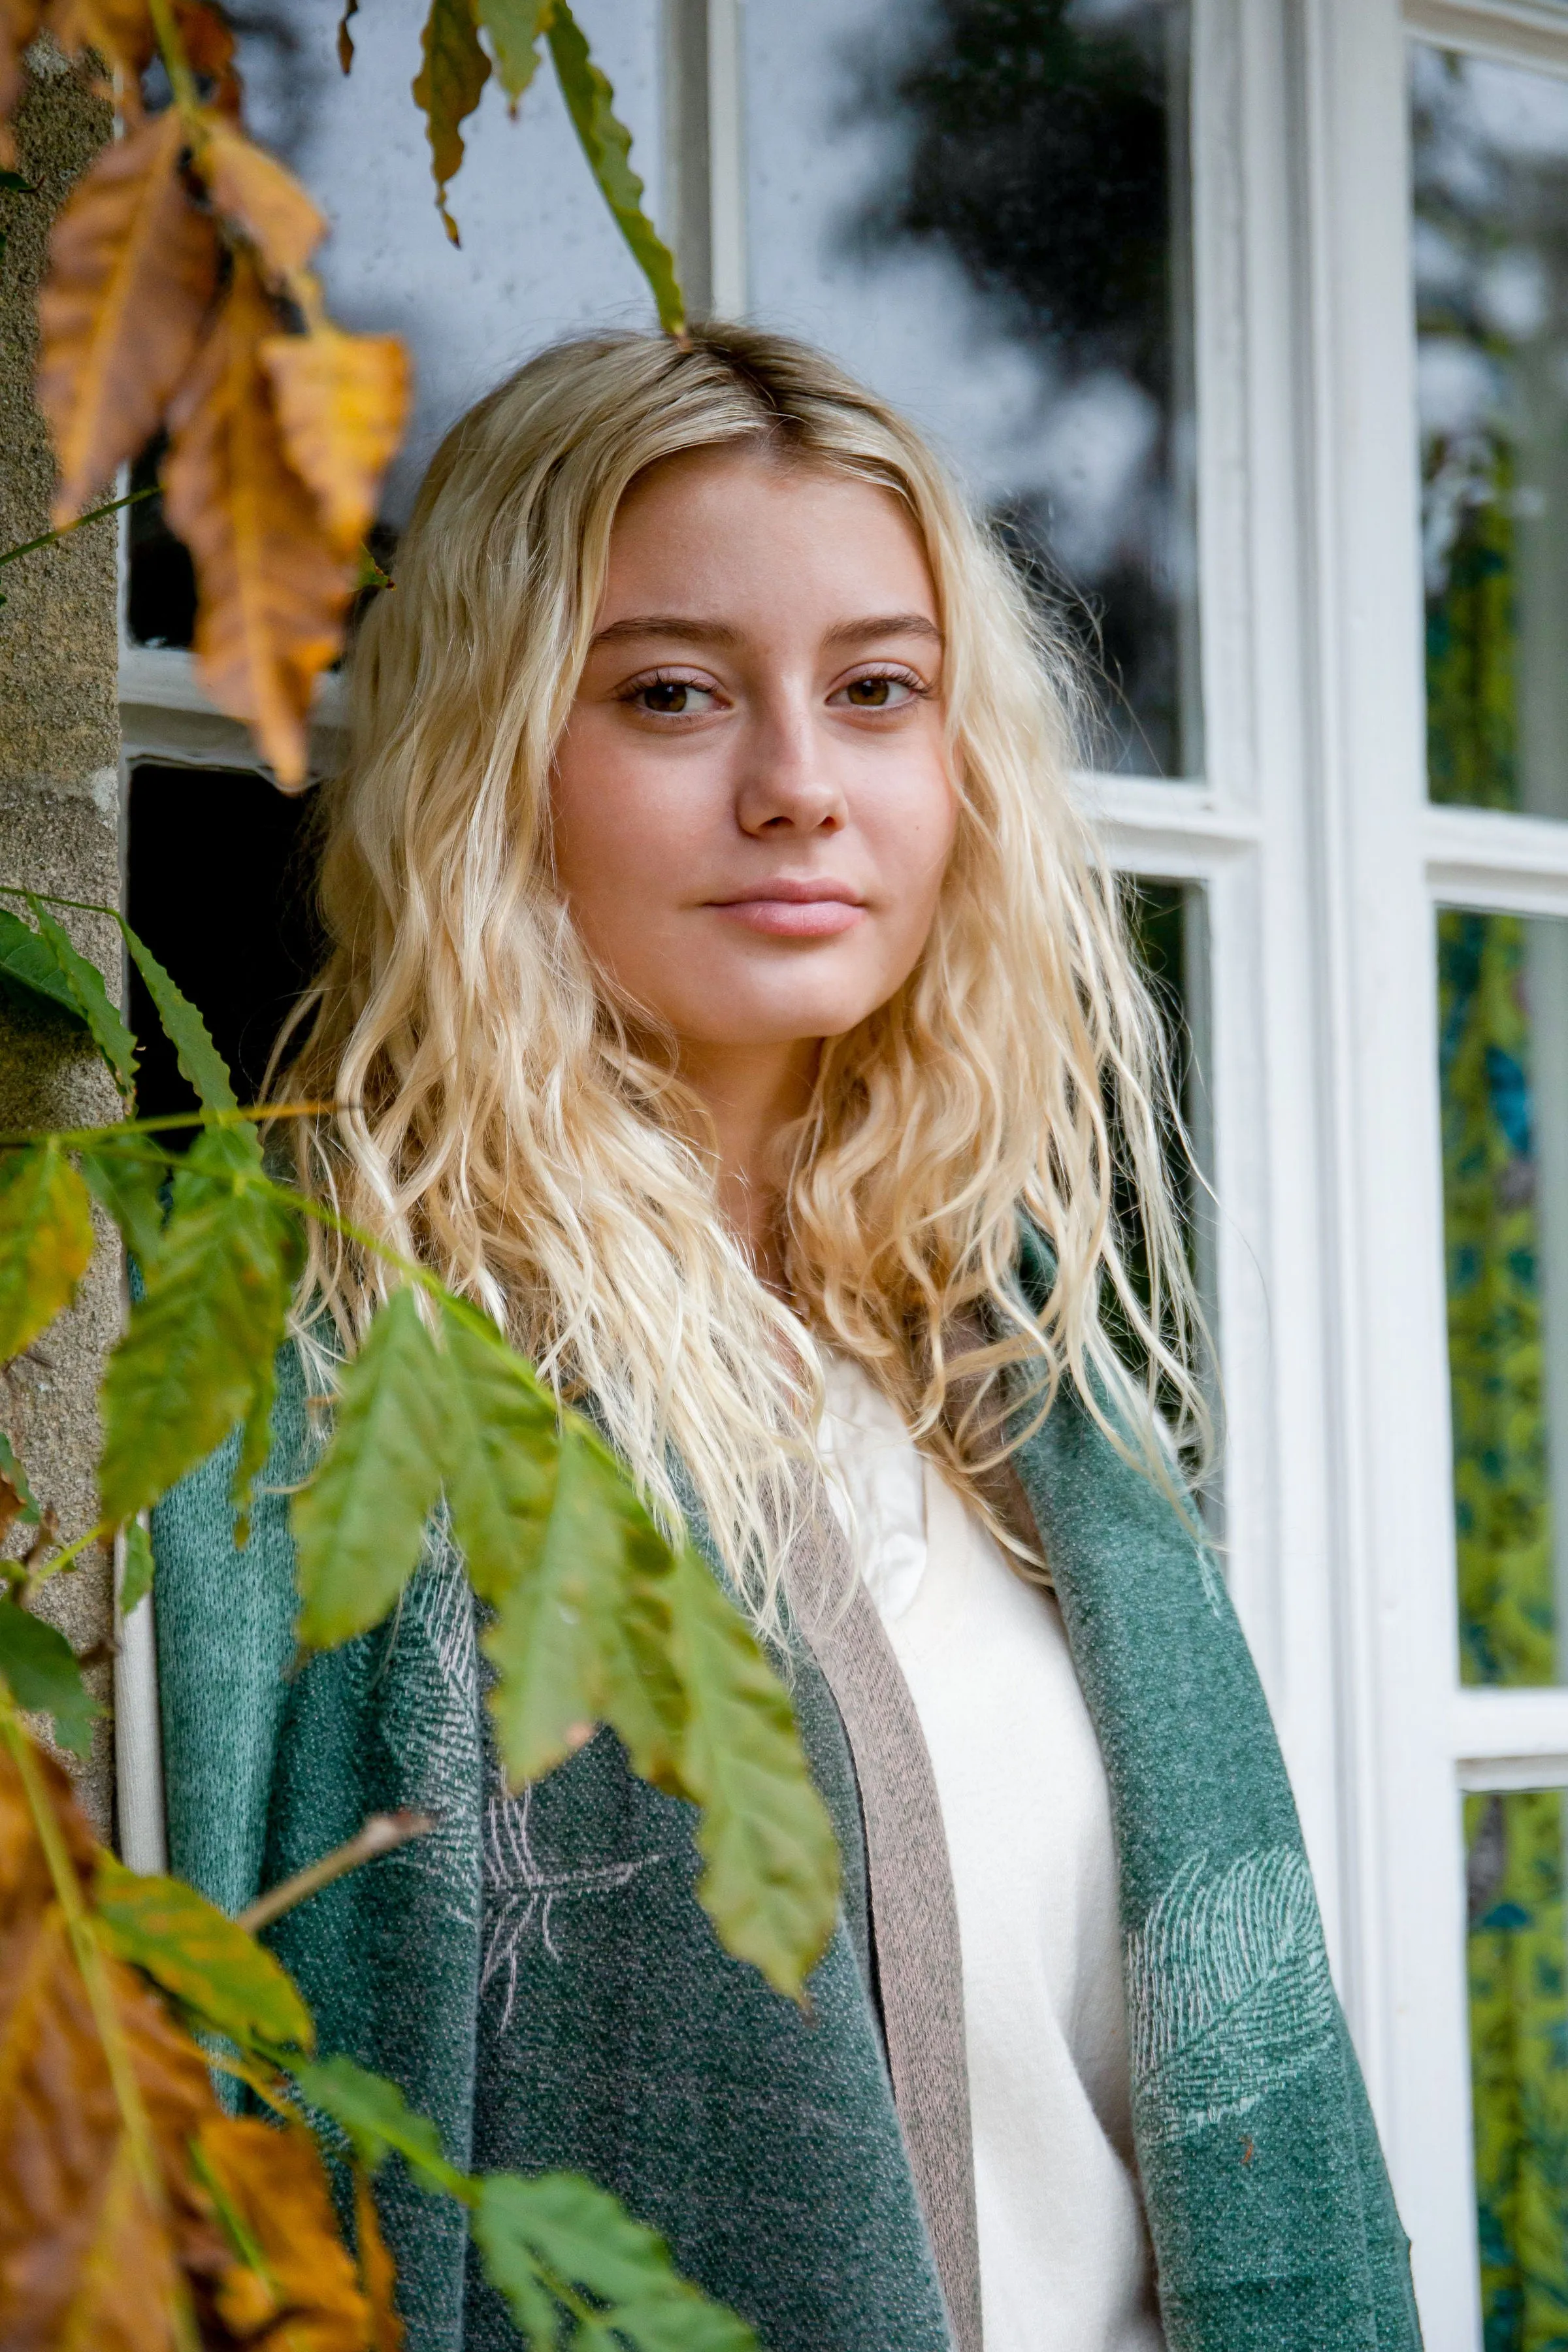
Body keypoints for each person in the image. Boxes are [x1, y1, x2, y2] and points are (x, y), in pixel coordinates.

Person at [151, 327, 1422, 2352]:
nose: (799, 788)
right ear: (495, 747)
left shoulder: (1017, 1391)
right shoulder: (333, 1379)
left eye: (878, 693)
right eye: (671, 695)